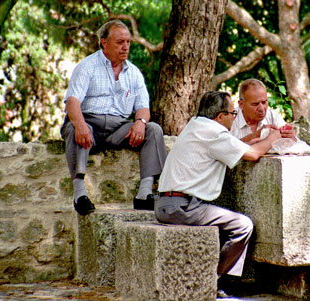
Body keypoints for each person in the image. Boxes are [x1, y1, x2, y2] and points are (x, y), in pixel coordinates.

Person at [155, 91, 281, 297]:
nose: (234, 116)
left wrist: (254, 138)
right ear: (220, 116)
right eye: (232, 112)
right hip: (184, 207)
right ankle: (215, 279)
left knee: (225, 220)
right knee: (243, 225)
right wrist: (274, 138)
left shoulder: (196, 126)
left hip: (166, 204)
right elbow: (254, 154)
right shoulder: (215, 133)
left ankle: (224, 282)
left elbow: (233, 147)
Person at [61, 20, 167, 215]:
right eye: (120, 42)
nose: (125, 46)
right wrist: (81, 124)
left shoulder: (133, 73)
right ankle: (80, 193)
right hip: (89, 122)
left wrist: (140, 123)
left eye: (128, 42)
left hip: (118, 128)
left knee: (153, 129)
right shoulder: (87, 67)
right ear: (104, 42)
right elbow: (72, 102)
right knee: (74, 128)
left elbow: (143, 107)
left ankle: (144, 193)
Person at [230, 79, 297, 143]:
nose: (261, 109)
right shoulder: (230, 119)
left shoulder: (272, 116)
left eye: (264, 102)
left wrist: (291, 138)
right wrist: (256, 135)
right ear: (241, 104)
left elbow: (297, 144)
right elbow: (225, 149)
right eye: (255, 104)